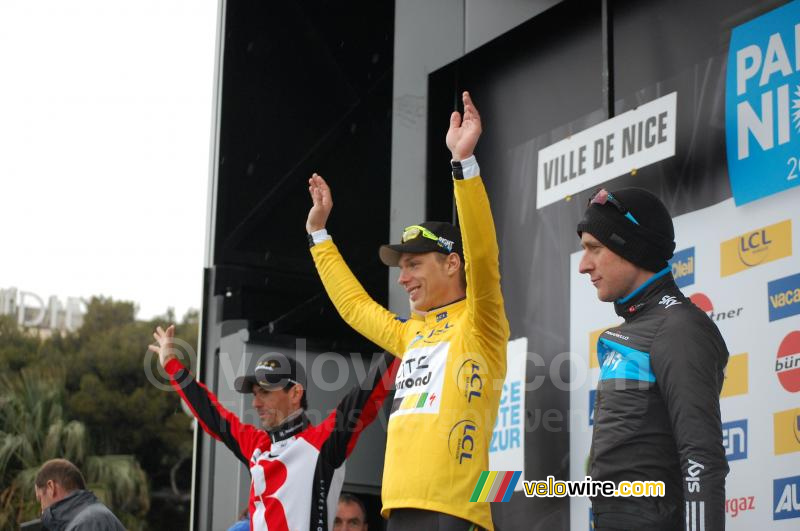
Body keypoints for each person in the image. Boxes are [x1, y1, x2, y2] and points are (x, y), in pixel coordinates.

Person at [306, 91, 509, 531]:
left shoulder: (482, 321)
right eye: (402, 268)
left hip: (455, 512)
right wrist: (319, 235)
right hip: (397, 506)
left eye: (414, 264)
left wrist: (464, 165)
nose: (403, 278)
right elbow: (354, 307)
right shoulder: (410, 334)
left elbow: (483, 252)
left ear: (452, 263)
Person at [577, 188, 729, 530]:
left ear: (631, 247)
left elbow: (702, 459)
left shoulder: (678, 327)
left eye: (594, 249)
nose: (583, 266)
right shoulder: (639, 328)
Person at [150, 325, 399, 531]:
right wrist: (171, 364)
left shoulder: (321, 442)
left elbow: (368, 393)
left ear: (295, 393)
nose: (256, 403)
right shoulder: (256, 445)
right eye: (255, 394)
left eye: (266, 393)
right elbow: (211, 413)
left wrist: (406, 336)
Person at [34, 458, 125, 530]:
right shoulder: (89, 518)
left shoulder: (87, 522)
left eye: (40, 498)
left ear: (51, 487)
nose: (42, 508)